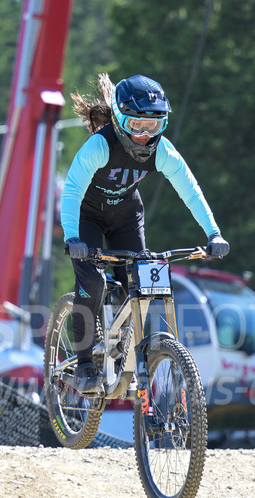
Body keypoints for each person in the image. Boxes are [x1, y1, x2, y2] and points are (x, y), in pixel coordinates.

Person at [61, 73, 229, 394]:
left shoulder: (161, 150)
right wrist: (73, 238)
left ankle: (126, 345)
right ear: (120, 119)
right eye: (136, 125)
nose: (143, 135)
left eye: (153, 126)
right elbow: (71, 191)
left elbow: (190, 191)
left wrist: (213, 234)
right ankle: (84, 363)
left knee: (142, 285)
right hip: (87, 217)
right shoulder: (101, 144)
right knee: (92, 281)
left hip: (125, 217)